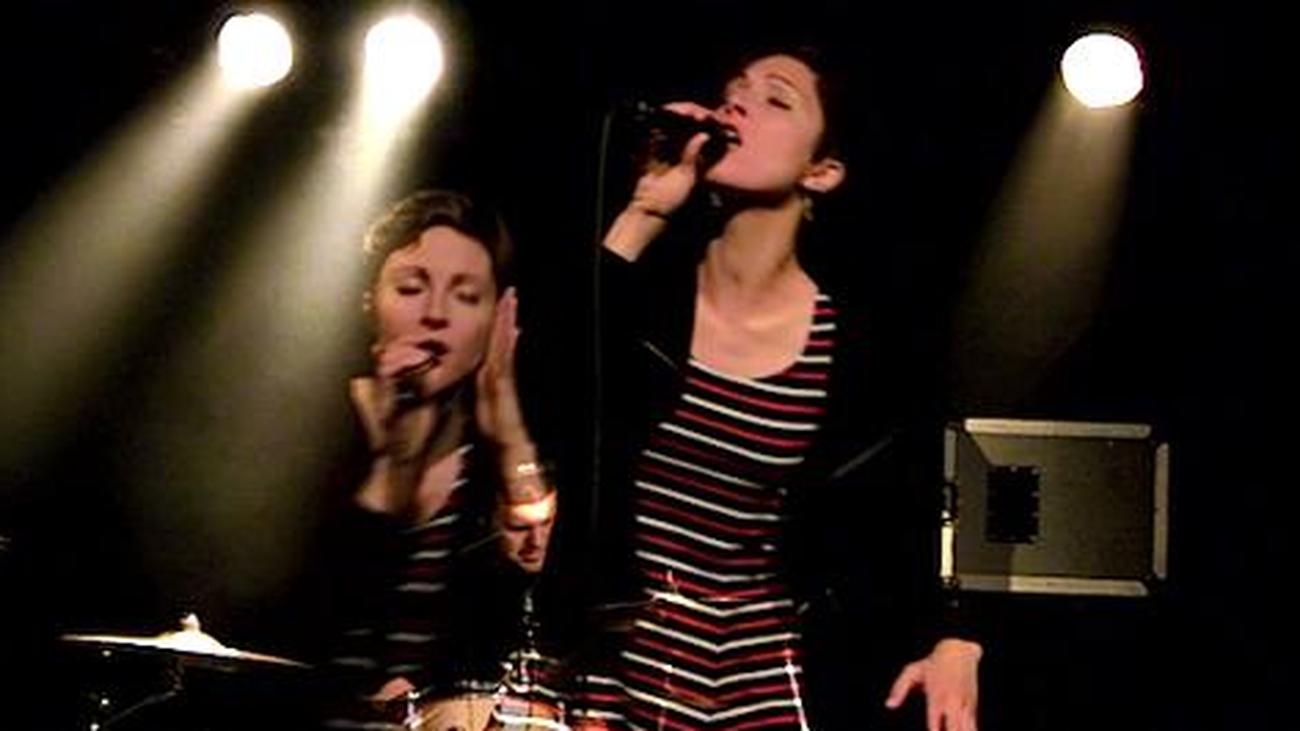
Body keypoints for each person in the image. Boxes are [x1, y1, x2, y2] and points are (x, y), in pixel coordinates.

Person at [570, 48, 981, 730]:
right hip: (616, 673)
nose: (737, 103)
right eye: (734, 90)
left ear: (822, 171)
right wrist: (643, 210)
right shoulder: (648, 296)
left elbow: (896, 516)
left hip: (757, 682)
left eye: (776, 98)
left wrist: (953, 634)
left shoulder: (851, 348)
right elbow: (555, 394)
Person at [311, 189, 557, 726]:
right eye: (411, 288)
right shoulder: (313, 433)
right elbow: (308, 617)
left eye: (466, 296)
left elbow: (540, 567)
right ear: (369, 302)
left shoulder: (496, 459)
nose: (436, 315)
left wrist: (508, 423)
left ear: (497, 318)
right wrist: (393, 465)